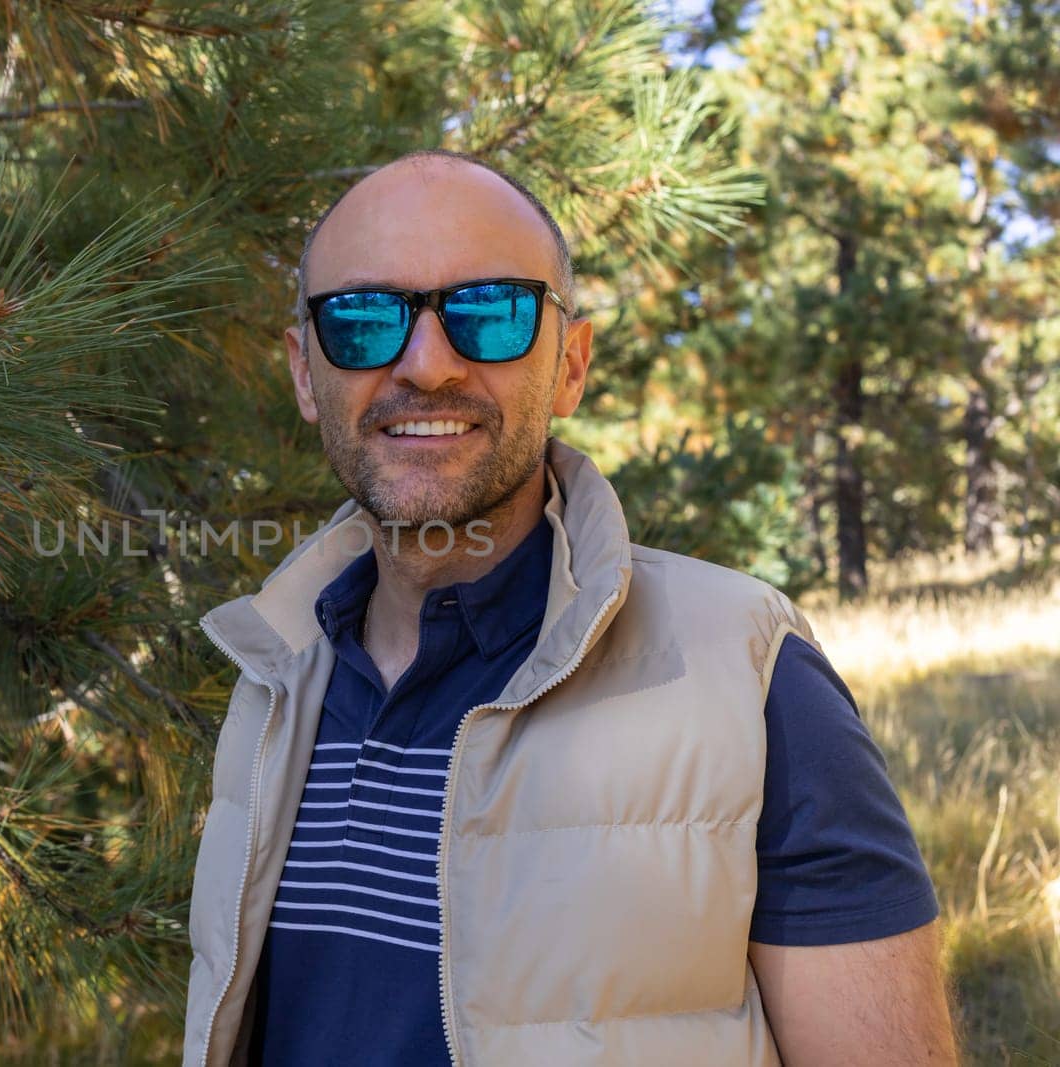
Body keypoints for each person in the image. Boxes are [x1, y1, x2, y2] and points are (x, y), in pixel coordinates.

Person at [183, 150, 958, 1066]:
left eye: (491, 312)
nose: (427, 365)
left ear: (571, 364)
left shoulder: (748, 678)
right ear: (306, 374)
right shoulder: (270, 681)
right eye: (361, 320)